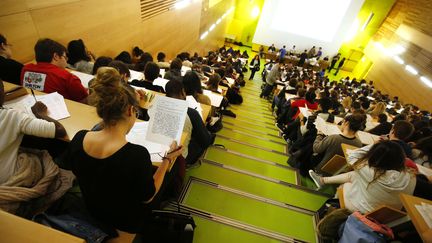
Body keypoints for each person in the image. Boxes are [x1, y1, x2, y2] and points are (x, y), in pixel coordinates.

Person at [63, 67, 183, 233]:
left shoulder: (79, 138)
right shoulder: (136, 155)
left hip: (92, 209)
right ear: (130, 110)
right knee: (170, 170)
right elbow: (147, 197)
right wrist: (167, 160)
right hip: (127, 222)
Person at [309, 140, 416, 214]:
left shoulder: (367, 171)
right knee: (356, 176)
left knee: (348, 182)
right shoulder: (411, 177)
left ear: (375, 154)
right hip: (381, 216)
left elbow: (353, 156)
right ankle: (323, 180)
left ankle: (333, 204)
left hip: (359, 209)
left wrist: (376, 145)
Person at [0, 81, 67, 184]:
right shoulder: (11, 116)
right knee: (40, 156)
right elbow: (59, 131)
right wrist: (40, 113)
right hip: (6, 178)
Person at [21, 38, 88, 103]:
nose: (66, 61)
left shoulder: (25, 70)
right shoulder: (68, 78)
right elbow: (85, 100)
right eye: (65, 57)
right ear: (56, 56)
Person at [165, 80, 214, 166]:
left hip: (159, 150)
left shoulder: (156, 108)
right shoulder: (192, 113)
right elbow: (205, 142)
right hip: (179, 158)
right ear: (183, 93)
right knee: (205, 137)